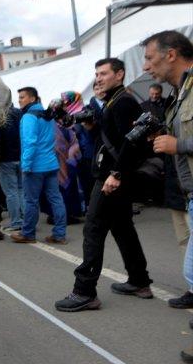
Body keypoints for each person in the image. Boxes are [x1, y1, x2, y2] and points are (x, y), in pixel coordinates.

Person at [55, 58, 153, 312]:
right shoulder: (115, 101)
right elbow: (112, 138)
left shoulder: (123, 102)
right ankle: (139, 281)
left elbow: (131, 144)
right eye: (96, 73)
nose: (98, 78)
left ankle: (84, 291)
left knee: (93, 229)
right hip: (112, 174)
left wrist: (116, 174)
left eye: (104, 73)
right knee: (122, 228)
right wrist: (92, 125)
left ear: (119, 74)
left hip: (111, 177)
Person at [141, 30, 193, 310]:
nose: (146, 67)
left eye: (150, 58)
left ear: (170, 54)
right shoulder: (181, 91)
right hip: (186, 192)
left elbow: (183, 142)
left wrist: (179, 144)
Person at [11, 87, 68, 245]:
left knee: (31, 201)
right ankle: (59, 234)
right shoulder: (47, 114)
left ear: (32, 98)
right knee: (56, 199)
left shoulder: (29, 117)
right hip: (50, 164)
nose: (19, 100)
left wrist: (26, 166)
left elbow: (30, 143)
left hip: (35, 167)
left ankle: (28, 234)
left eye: (22, 97)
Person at [0, 105, 24, 232]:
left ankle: (17, 221)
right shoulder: (20, 113)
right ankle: (27, 219)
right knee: (21, 190)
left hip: (6, 159)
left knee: (11, 192)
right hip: (21, 157)